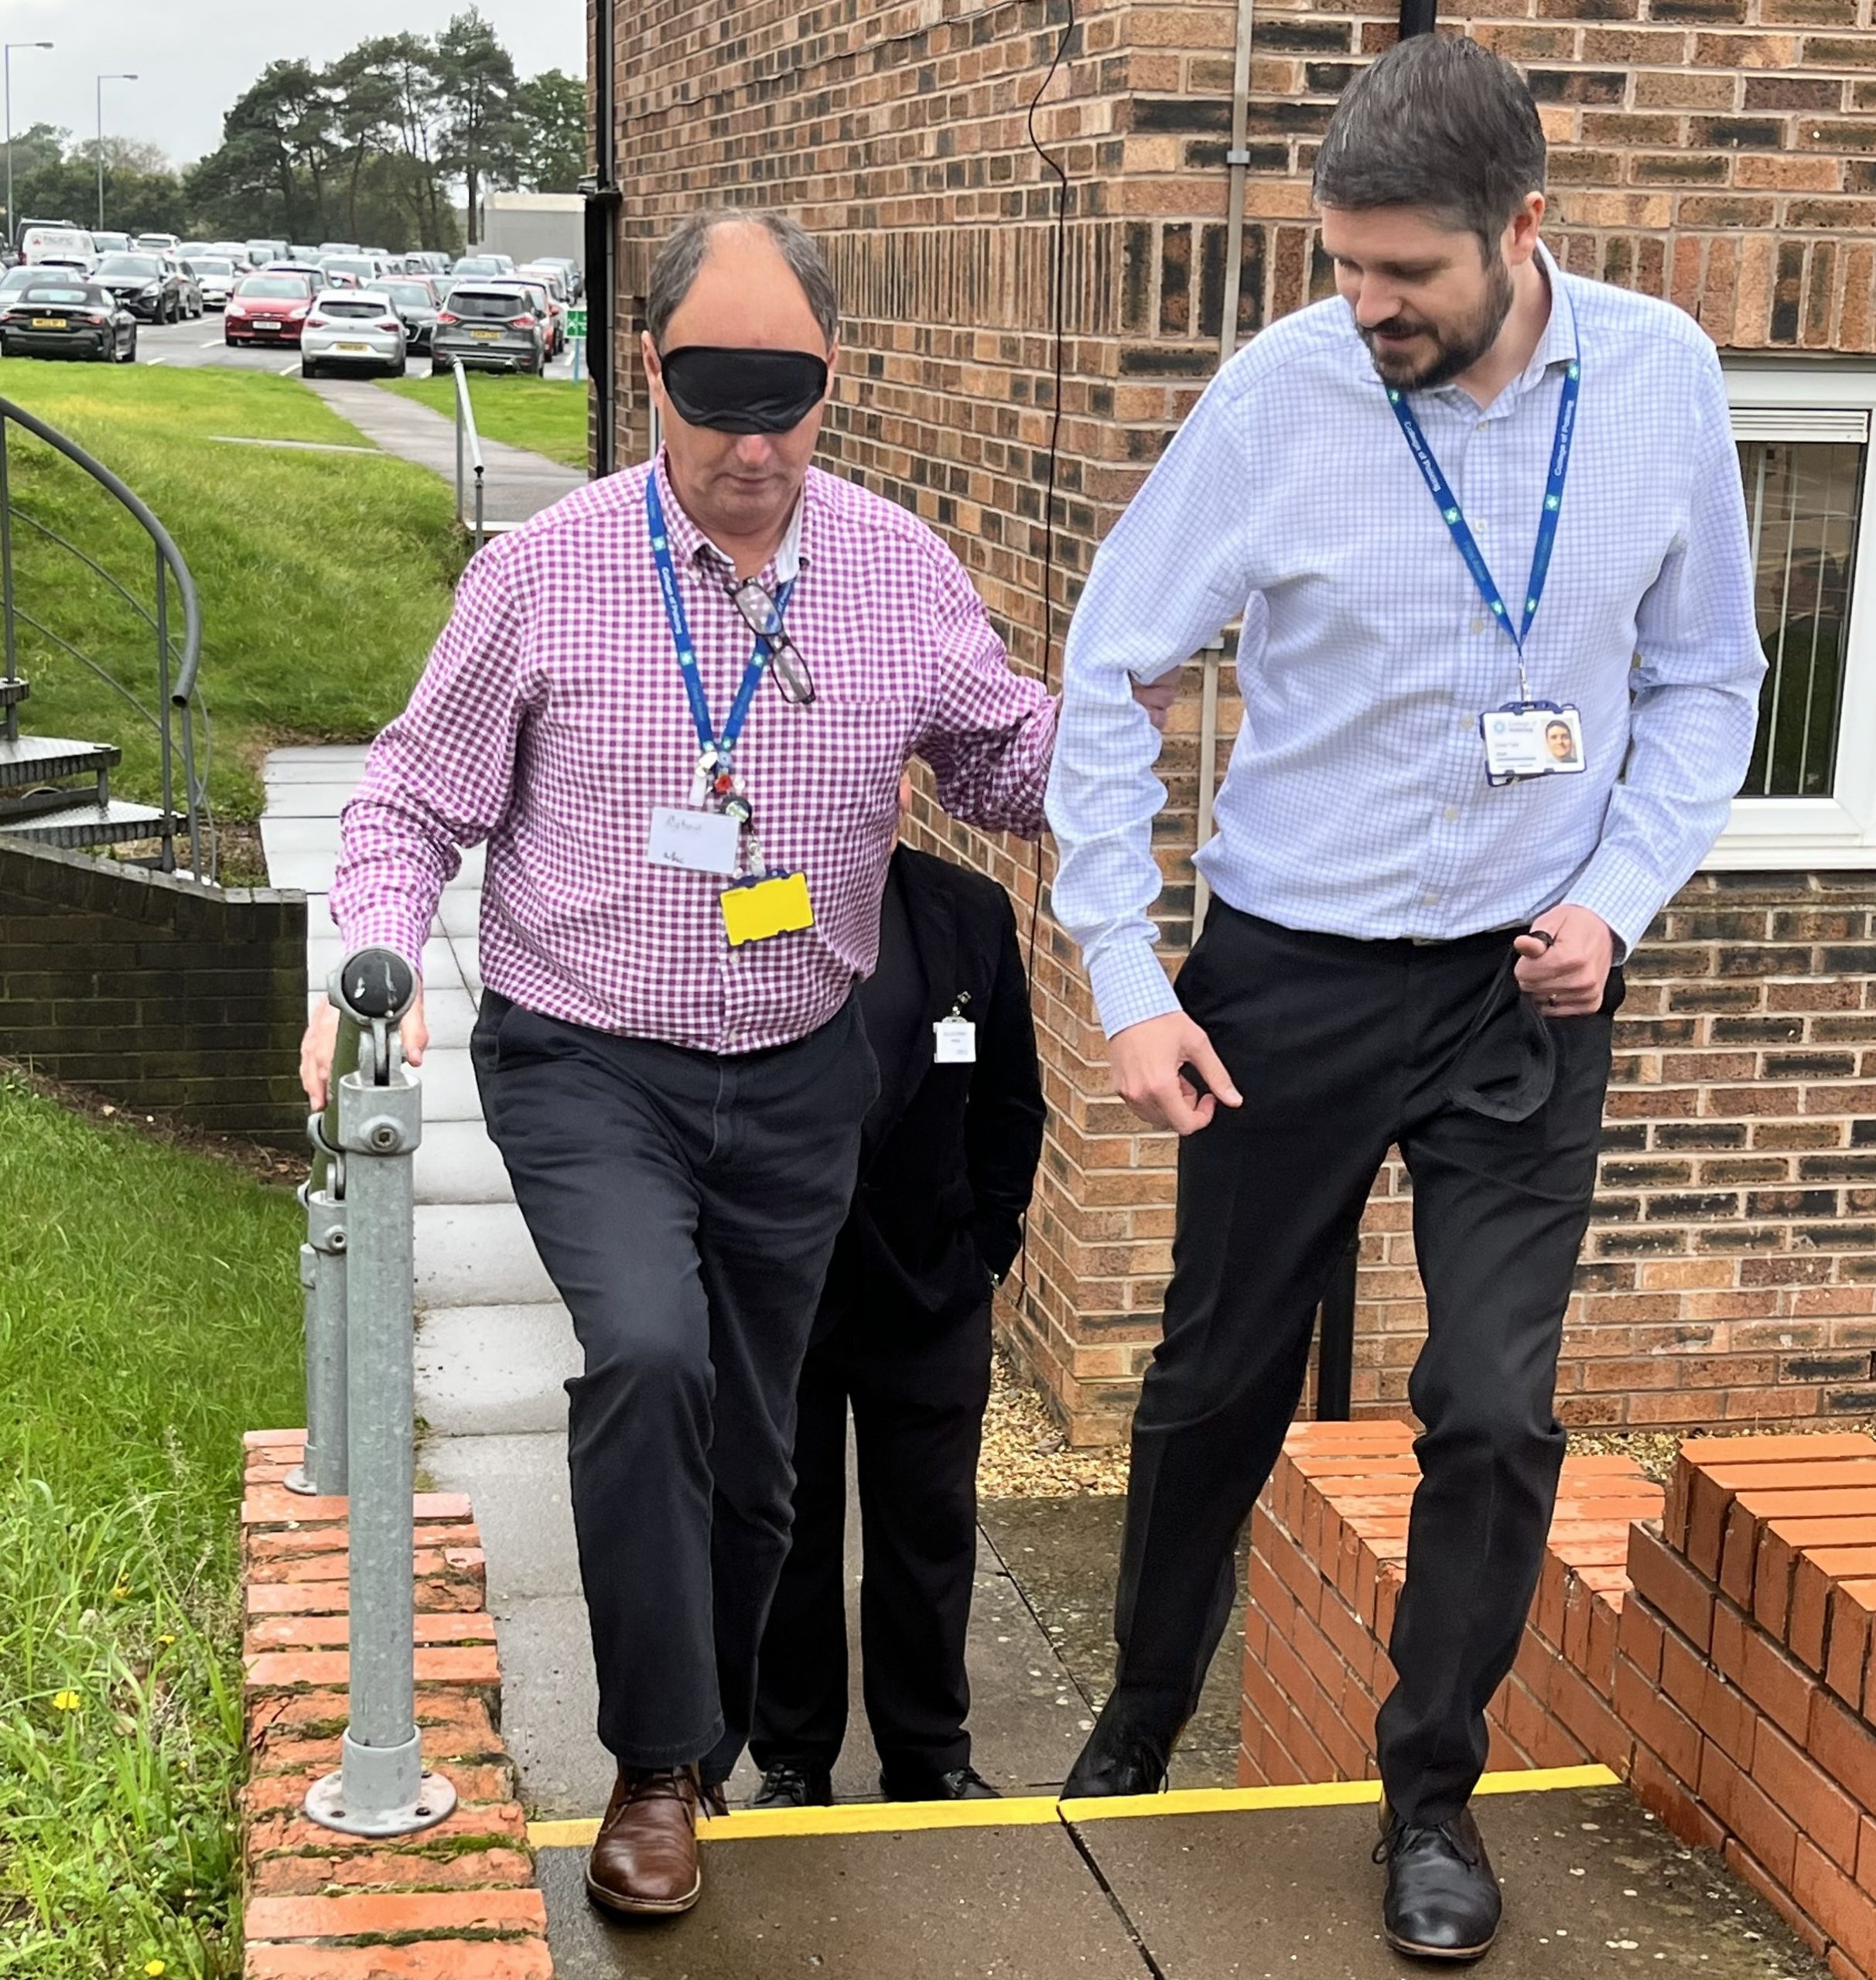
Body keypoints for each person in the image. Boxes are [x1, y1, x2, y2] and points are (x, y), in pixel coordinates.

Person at [1044, 36, 1762, 1966]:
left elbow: (1707, 682)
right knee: (1215, 1379)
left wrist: (1617, 898)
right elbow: (1107, 672)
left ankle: (1428, 1790)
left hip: (1533, 977)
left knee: (1498, 1405)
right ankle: (1140, 1712)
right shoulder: (1283, 394)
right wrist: (1125, 972)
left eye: (1406, 279)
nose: (1364, 310)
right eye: (1342, 268)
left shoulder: (1669, 385)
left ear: (1526, 228)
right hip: (1290, 972)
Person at [304, 207, 1064, 1923]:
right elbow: (411, 796)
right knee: (647, 1356)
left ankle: (703, 1748)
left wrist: (1114, 724)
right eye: (712, 396)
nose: (748, 444)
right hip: (588, 1058)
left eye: (783, 399)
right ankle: (656, 1765)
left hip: (801, 1068)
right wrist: (359, 973)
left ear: (831, 385)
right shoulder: (545, 575)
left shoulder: (892, 571)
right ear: (646, 373)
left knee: (759, 1453)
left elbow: (1006, 771)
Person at [748, 774, 1046, 1809]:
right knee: (784, 1533)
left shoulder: (964, 909)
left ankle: (928, 1755)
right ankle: (791, 1760)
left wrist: (987, 1249)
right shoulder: (756, 902)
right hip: (783, 1289)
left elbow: (1011, 1098)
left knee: (928, 1533)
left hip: (930, 1287)